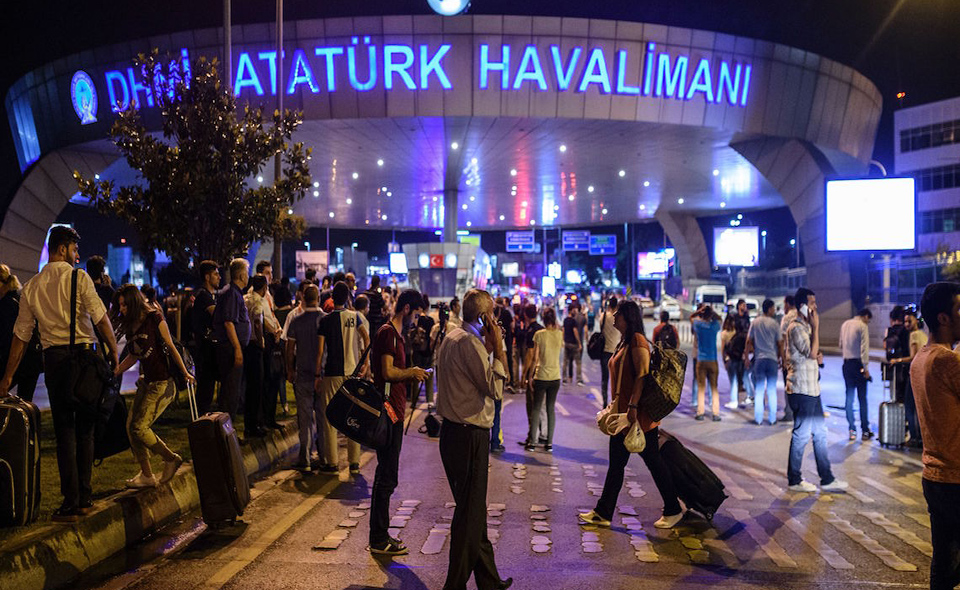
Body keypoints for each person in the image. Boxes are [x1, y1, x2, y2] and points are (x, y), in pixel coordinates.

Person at [0, 227, 120, 522]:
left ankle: (70, 500)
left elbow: (21, 336)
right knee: (86, 429)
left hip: (53, 362)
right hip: (84, 356)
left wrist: (6, 378)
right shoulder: (80, 279)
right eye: (74, 250)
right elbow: (101, 318)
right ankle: (86, 495)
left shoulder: (32, 286)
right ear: (63, 249)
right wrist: (114, 350)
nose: (77, 256)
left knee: (65, 428)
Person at [578, 300, 684, 530]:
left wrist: (633, 407)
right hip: (626, 415)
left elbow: (642, 375)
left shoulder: (637, 341)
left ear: (629, 318)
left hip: (637, 417)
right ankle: (604, 512)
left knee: (651, 462)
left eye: (618, 315)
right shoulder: (624, 341)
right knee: (620, 465)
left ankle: (673, 509)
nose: (613, 317)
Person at [435, 289, 512, 590]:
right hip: (470, 437)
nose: (496, 319)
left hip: (453, 434)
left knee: (472, 511)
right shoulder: (471, 344)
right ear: (482, 317)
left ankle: (489, 580)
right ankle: (453, 585)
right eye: (492, 314)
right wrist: (500, 351)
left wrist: (488, 346)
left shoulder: (453, 336)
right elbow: (494, 388)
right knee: (469, 515)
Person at [113, 285, 194, 488]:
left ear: (133, 302)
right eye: (119, 305)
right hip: (147, 383)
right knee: (131, 428)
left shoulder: (154, 318)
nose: (121, 309)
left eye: (124, 305)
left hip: (163, 383)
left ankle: (170, 458)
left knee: (140, 427)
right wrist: (116, 371)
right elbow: (133, 355)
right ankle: (147, 475)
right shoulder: (130, 324)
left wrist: (184, 372)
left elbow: (171, 345)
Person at [368, 289, 429, 556]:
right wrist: (412, 373)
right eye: (416, 313)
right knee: (386, 477)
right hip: (389, 412)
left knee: (387, 475)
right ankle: (379, 538)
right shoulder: (389, 334)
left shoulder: (397, 335)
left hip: (396, 410)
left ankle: (380, 535)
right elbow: (387, 371)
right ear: (407, 309)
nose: (417, 319)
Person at [909, 281, 960, 590]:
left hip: (935, 476)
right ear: (944, 318)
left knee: (943, 565)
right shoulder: (946, 361)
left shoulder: (921, 359)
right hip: (956, 478)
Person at [784, 287, 848, 493]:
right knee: (801, 435)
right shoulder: (796, 328)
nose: (815, 307)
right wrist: (817, 327)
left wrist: (817, 354)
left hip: (812, 388)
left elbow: (814, 353)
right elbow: (811, 352)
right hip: (801, 389)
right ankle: (794, 480)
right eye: (812, 302)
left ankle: (827, 478)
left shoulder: (805, 327)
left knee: (820, 432)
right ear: (802, 304)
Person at [315, 281, 368, 475]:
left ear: (331, 298)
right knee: (353, 416)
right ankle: (354, 462)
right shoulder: (355, 317)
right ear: (347, 298)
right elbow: (367, 339)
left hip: (332, 373)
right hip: (352, 372)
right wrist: (365, 362)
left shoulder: (325, 321)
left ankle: (332, 462)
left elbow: (320, 351)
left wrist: (316, 374)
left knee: (330, 416)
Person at [285, 284, 324, 471]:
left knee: (305, 417)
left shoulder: (296, 321)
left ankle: (305, 458)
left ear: (303, 298)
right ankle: (325, 456)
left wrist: (289, 369)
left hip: (302, 374)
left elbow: (289, 349)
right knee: (323, 417)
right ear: (318, 298)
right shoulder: (325, 319)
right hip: (322, 376)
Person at [211, 258, 251, 420]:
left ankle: (227, 434)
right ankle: (225, 434)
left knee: (232, 390)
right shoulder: (232, 294)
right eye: (247, 273)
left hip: (231, 347)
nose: (248, 276)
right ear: (241, 275)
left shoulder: (234, 293)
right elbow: (229, 323)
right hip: (229, 348)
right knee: (230, 391)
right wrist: (237, 349)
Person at [0, 265, 42, 402]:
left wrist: (7, 375)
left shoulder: (6, 304)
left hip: (20, 358)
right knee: (25, 401)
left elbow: (7, 340)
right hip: (32, 359)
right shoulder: (17, 297)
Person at [525, 307, 563, 452]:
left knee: (536, 409)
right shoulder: (560, 334)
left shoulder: (539, 335)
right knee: (550, 409)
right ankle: (549, 444)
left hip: (541, 376)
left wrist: (529, 376)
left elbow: (535, 358)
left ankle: (533, 442)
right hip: (555, 377)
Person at [893, 308, 927, 447]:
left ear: (916, 321)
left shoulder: (914, 335)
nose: (906, 324)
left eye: (909, 321)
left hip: (915, 375)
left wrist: (898, 360)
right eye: (905, 321)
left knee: (909, 406)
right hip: (924, 375)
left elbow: (913, 357)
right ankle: (921, 438)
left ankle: (914, 438)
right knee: (920, 408)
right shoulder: (923, 334)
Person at [745, 299, 782, 425]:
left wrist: (746, 357)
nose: (774, 310)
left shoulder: (755, 322)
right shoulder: (775, 324)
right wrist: (780, 358)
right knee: (771, 389)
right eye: (773, 308)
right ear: (770, 309)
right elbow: (780, 343)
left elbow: (748, 340)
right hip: (772, 360)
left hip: (759, 359)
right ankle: (772, 418)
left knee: (759, 390)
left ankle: (758, 418)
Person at [839, 307, 874, 441]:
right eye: (868, 320)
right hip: (858, 364)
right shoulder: (862, 326)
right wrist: (865, 369)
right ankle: (865, 430)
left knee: (849, 397)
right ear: (865, 316)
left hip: (846, 364)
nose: (868, 323)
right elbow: (864, 349)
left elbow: (841, 345)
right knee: (862, 399)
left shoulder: (845, 324)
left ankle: (851, 430)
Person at [191, 260, 220, 415]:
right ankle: (202, 419)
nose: (219, 277)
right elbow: (217, 316)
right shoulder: (204, 296)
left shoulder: (208, 295)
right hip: (204, 348)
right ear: (207, 277)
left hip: (207, 347)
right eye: (216, 274)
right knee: (205, 386)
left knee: (207, 385)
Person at [692, 306, 722, 421]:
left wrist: (699, 311)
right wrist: (713, 313)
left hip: (701, 360)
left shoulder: (698, 325)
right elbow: (720, 320)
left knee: (701, 387)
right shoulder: (714, 326)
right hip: (713, 360)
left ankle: (700, 413)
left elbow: (691, 317)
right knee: (714, 387)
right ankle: (716, 413)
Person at [885, 305, 910, 403]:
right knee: (905, 398)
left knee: (895, 395)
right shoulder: (906, 330)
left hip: (893, 367)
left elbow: (886, 347)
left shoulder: (889, 331)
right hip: (905, 367)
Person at [598, 298, 620, 407]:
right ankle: (614, 403)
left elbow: (601, 329)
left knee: (604, 379)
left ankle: (604, 403)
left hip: (605, 351)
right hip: (617, 352)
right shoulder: (619, 318)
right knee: (616, 380)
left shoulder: (603, 316)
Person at [779, 295, 797, 422]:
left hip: (789, 356)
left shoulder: (787, 318)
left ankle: (789, 412)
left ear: (788, 304)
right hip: (801, 356)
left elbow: (782, 339)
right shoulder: (802, 316)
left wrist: (783, 358)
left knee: (789, 385)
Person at [721, 314, 745, 410]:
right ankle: (736, 400)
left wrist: (724, 361)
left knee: (733, 381)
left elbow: (723, 349)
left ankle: (734, 400)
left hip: (730, 359)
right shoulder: (737, 332)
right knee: (737, 379)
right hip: (738, 359)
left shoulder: (724, 333)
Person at [733, 299, 753, 402]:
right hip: (737, 346)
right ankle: (739, 385)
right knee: (737, 368)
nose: (745, 307)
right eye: (743, 305)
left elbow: (748, 329)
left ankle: (742, 386)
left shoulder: (746, 317)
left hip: (745, 345)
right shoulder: (735, 317)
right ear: (739, 306)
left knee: (744, 367)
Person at [562, 304, 584, 385]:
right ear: (571, 310)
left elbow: (563, 330)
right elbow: (575, 332)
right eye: (574, 310)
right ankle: (579, 380)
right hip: (574, 344)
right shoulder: (573, 321)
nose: (575, 311)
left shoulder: (565, 320)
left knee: (565, 362)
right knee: (578, 362)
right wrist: (579, 343)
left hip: (567, 343)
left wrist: (563, 340)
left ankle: (564, 380)